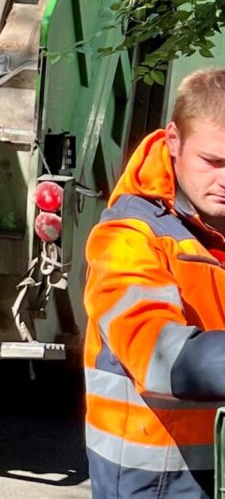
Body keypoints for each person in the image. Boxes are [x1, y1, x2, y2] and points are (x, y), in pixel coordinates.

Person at [84, 68, 225, 497]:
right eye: (212, 162)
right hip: (157, 484)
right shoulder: (126, 238)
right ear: (173, 142)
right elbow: (158, 352)